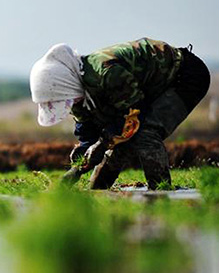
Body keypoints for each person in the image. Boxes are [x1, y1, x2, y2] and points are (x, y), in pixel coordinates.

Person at [29, 38, 210, 190]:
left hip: (184, 75)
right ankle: (97, 191)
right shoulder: (76, 95)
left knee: (146, 133)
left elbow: (132, 115)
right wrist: (79, 162)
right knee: (119, 142)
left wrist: (101, 144)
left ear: (66, 84)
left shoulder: (106, 73)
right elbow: (88, 131)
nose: (70, 106)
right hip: (147, 92)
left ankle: (162, 192)